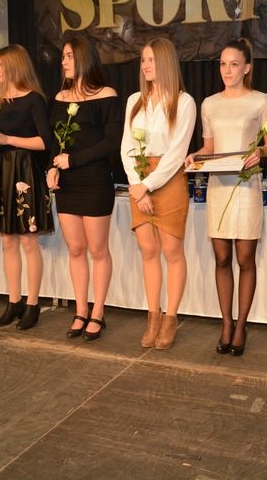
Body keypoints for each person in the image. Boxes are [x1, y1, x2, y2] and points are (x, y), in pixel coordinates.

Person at [185, 38, 267, 355]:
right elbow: (210, 147)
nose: (227, 70)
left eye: (234, 64)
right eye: (223, 64)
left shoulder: (260, 101)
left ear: (246, 67)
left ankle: (241, 325)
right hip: (218, 187)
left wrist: (259, 152)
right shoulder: (209, 104)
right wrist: (195, 157)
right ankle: (226, 322)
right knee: (222, 258)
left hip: (246, 187)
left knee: (244, 259)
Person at [121, 38, 196, 350]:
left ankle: (170, 317)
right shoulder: (134, 101)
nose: (146, 65)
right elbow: (126, 147)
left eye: (151, 59)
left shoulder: (184, 102)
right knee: (148, 249)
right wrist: (138, 186)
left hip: (168, 179)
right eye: (143, 60)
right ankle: (153, 315)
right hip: (139, 179)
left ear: (166, 62)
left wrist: (148, 185)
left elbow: (177, 153)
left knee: (171, 250)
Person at [46, 36, 121, 341]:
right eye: (63, 56)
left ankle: (98, 312)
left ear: (84, 58)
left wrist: (73, 160)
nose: (63, 61)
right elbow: (55, 141)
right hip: (68, 183)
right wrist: (52, 167)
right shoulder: (60, 97)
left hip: (95, 180)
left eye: (68, 56)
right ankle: (80, 310)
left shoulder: (106, 94)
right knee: (75, 249)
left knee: (98, 250)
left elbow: (111, 143)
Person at [0, 44, 54, 329]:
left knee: (28, 240)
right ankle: (13, 301)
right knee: (7, 240)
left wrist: (7, 139)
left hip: (26, 173)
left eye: (0, 65)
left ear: (14, 66)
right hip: (3, 172)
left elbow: (45, 142)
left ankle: (32, 303)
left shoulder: (34, 99)